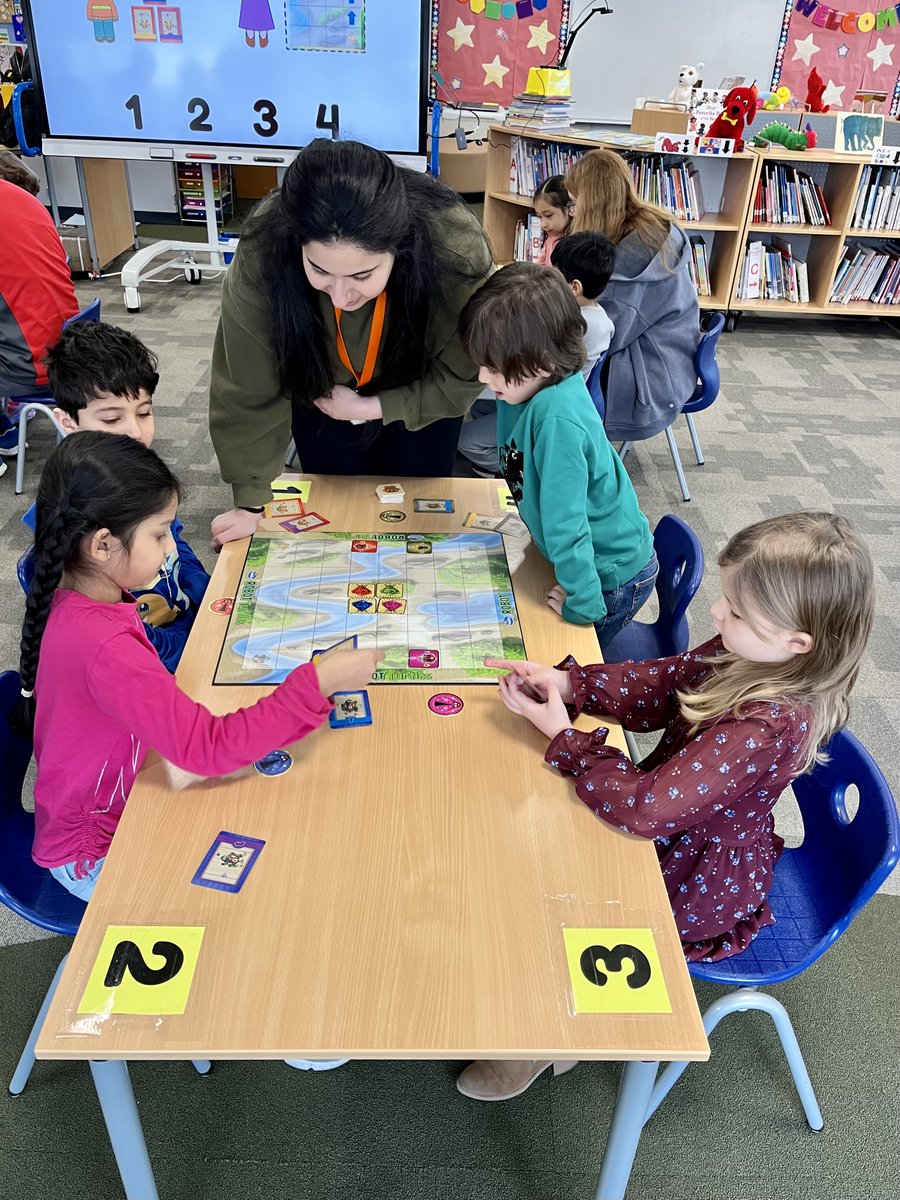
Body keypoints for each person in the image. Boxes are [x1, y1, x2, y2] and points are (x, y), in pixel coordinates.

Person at [456, 510, 874, 1101]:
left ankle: (551, 1043)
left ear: (797, 644)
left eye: (736, 612)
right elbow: (667, 681)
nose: (716, 615)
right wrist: (575, 687)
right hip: (677, 825)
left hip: (695, 877)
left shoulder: (765, 724)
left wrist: (566, 739)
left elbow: (647, 810)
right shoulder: (754, 653)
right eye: (725, 599)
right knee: (538, 833)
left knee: (558, 888)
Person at [13, 431, 382, 906]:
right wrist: (319, 683)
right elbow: (206, 749)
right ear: (102, 545)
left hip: (112, 799)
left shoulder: (78, 595)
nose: (171, 549)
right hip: (96, 852)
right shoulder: (101, 645)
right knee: (266, 893)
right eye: (160, 533)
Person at [208, 138, 493, 548]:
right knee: (334, 520)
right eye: (320, 270)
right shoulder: (264, 248)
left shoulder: (454, 248)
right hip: (321, 392)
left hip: (422, 394)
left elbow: (462, 374)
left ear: (401, 248)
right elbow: (247, 383)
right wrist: (250, 501)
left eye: (362, 276)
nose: (340, 297)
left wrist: (372, 407)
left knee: (417, 518)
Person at [458, 263, 657, 652]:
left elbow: (567, 524)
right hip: (581, 560)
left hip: (607, 578)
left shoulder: (557, 422)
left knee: (564, 661)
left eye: (495, 368)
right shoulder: (526, 390)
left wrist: (583, 604)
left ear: (544, 362)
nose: (483, 377)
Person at [21, 321, 209, 672]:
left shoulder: (141, 480)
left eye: (144, 412)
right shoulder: (71, 523)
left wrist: (212, 602)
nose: (135, 433)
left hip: (189, 631)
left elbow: (181, 556)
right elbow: (126, 640)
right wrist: (203, 643)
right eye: (111, 419)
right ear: (67, 421)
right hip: (153, 661)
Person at [566, 148, 700, 444]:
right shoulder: (653, 224)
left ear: (592, 204)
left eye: (575, 204)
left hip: (652, 377)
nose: (572, 212)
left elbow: (601, 337)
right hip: (677, 353)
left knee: (554, 374)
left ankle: (567, 442)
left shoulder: (623, 271)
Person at [457, 234, 615, 477]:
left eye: (553, 276)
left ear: (574, 287)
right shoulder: (594, 317)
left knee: (468, 438)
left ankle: (513, 472)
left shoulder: (571, 329)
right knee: (481, 407)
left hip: (540, 412)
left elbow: (564, 511)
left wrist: (520, 477)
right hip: (539, 403)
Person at [0, 176, 79, 469]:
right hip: (70, 348)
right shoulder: (26, 199)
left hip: (30, 367)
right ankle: (7, 428)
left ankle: (6, 431)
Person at [550, 231, 616, 369]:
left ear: (575, 287)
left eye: (555, 278)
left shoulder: (576, 328)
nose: (550, 283)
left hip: (561, 387)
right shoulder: (601, 316)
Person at [532, 174, 574, 265]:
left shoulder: (574, 244)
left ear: (569, 208)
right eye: (539, 217)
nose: (543, 224)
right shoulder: (550, 238)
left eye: (548, 215)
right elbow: (539, 265)